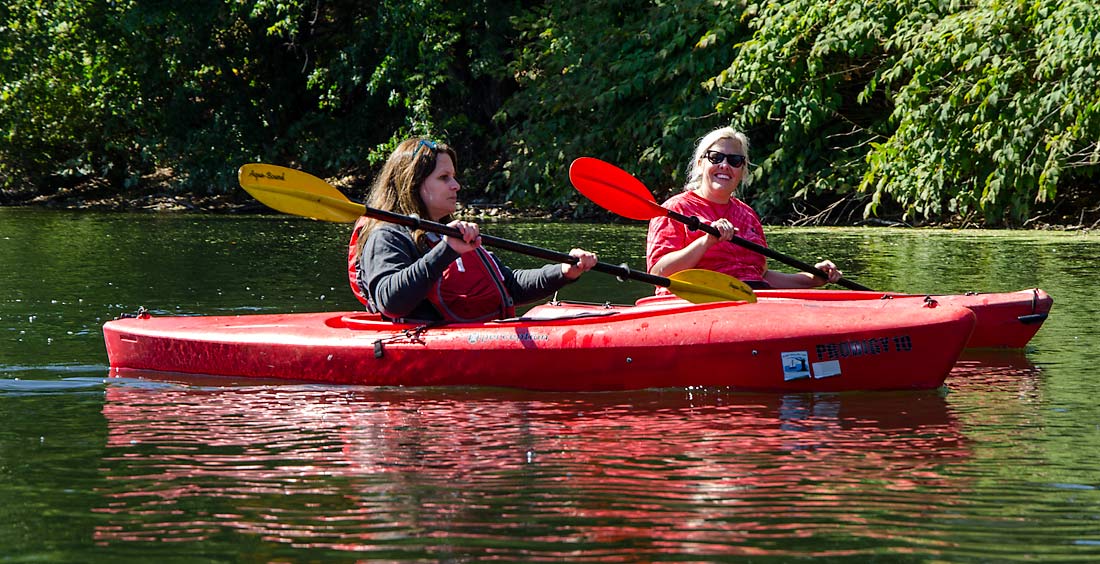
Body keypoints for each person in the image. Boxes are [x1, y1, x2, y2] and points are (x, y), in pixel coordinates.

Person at [348, 137, 598, 322]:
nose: (455, 185)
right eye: (444, 178)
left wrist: (563, 271)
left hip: (468, 335)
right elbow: (391, 302)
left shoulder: (447, 233)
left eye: (454, 177)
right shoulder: (387, 235)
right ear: (412, 183)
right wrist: (445, 251)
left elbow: (508, 285)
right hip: (416, 343)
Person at [646, 126, 843, 292]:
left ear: (742, 170)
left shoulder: (747, 215)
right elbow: (658, 272)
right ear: (700, 164)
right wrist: (706, 242)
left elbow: (761, 276)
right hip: (698, 301)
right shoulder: (675, 208)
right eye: (716, 157)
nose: (724, 165)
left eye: (734, 161)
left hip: (754, 299)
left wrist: (812, 279)